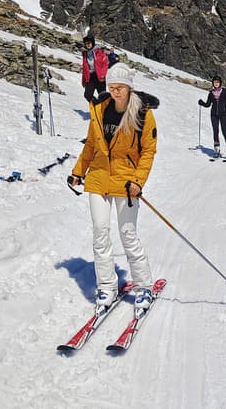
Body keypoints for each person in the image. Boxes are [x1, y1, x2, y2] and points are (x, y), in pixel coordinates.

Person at [68, 63, 160, 313]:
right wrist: (79, 171)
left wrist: (138, 181)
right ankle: (107, 286)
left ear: (130, 88)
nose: (115, 92)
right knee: (100, 233)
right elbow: (91, 146)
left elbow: (148, 151)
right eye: (112, 87)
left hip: (126, 182)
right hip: (98, 178)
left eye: (120, 87)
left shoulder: (142, 114)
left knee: (128, 234)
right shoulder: (99, 109)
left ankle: (143, 287)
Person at [198, 75, 226, 158]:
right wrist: (202, 103)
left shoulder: (224, 92)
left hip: (224, 114)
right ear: (213, 83)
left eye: (217, 82)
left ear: (220, 83)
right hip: (214, 115)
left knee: (224, 131)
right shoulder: (211, 93)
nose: (216, 84)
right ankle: (216, 150)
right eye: (215, 82)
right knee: (215, 131)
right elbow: (208, 104)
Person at [81, 35, 109, 103]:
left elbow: (105, 64)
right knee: (87, 95)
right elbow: (85, 68)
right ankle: (96, 107)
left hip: (99, 76)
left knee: (103, 96)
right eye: (86, 43)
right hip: (90, 77)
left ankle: (105, 111)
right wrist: (84, 80)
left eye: (89, 43)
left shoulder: (99, 52)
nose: (87, 45)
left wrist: (102, 75)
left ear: (92, 43)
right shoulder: (85, 54)